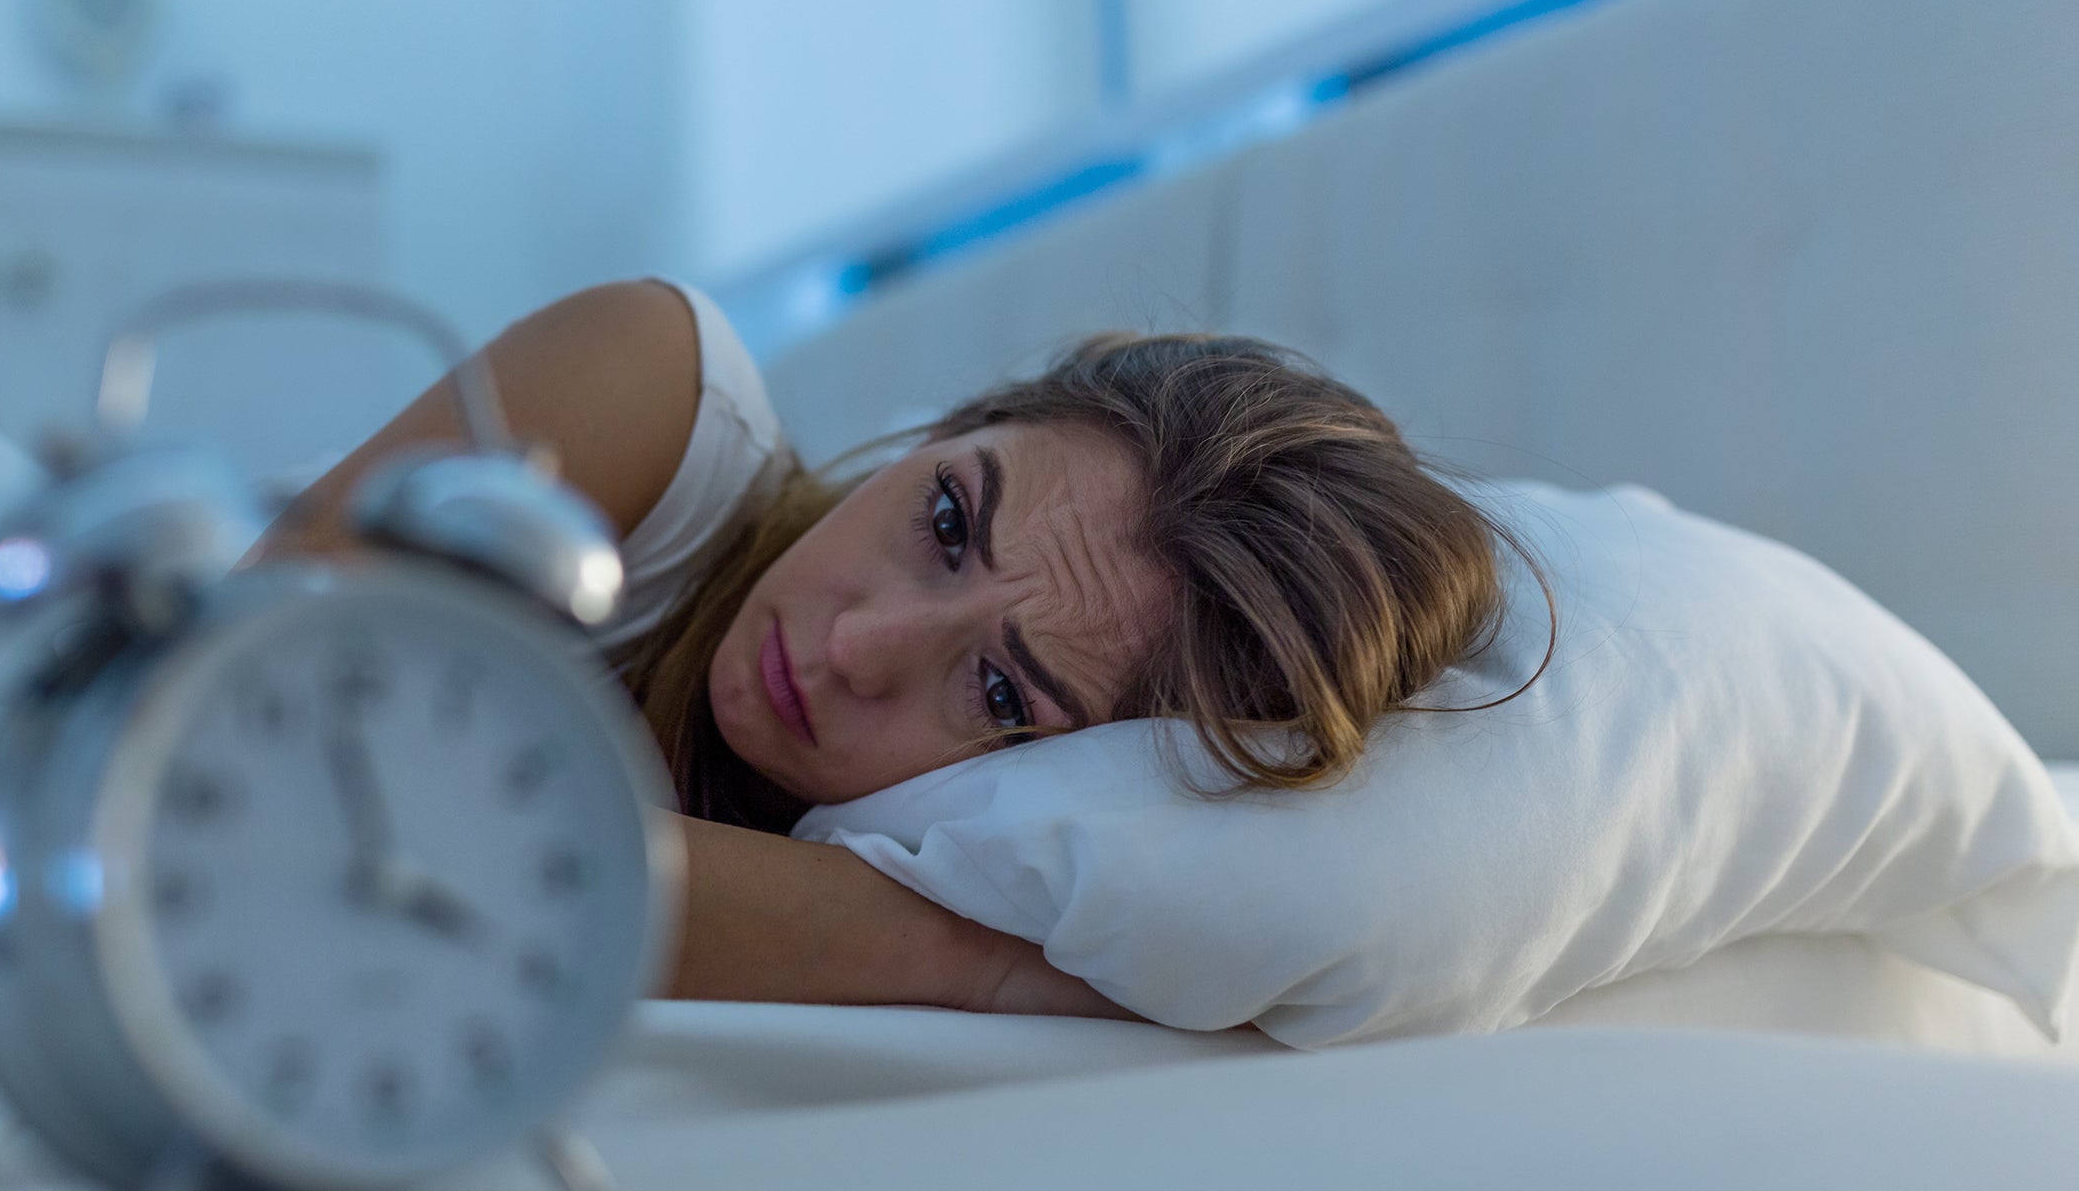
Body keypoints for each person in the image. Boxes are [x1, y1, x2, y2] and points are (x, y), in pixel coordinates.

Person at [264, 280, 1524, 1021]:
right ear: (955, 424)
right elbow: (210, 718)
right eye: (944, 521)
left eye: (996, 690)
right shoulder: (656, 393)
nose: (858, 645)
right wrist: (933, 948)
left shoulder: (1018, 861)